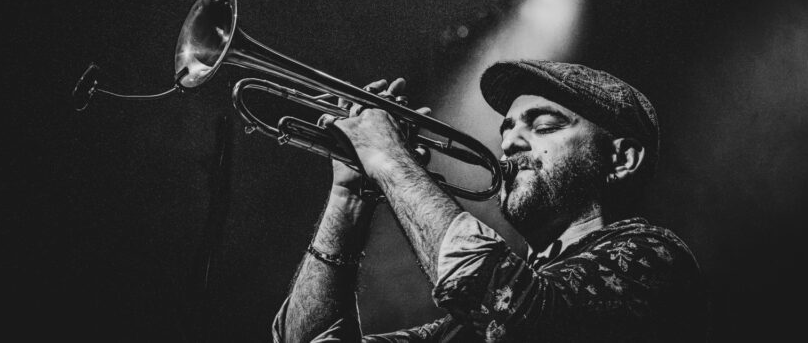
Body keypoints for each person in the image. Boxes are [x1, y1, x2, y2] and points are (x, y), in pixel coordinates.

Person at [271, 60, 708, 342]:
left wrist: (388, 158)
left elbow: (515, 313)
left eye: (544, 125)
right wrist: (349, 196)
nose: (509, 142)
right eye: (507, 129)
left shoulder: (655, 256)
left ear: (622, 158)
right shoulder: (459, 328)